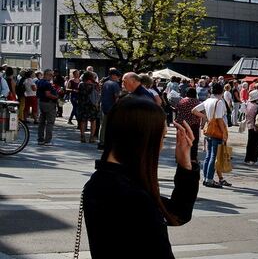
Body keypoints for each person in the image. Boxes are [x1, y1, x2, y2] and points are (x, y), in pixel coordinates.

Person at [84, 95, 198, 258]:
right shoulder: (131, 195)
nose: (162, 145)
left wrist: (185, 166)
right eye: (162, 137)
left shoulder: (102, 181)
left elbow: (177, 213)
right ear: (144, 138)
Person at [191, 81, 230, 189]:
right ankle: (209, 179)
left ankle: (205, 178)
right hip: (217, 131)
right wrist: (224, 133)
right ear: (221, 91)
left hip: (209, 130)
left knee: (208, 156)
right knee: (214, 155)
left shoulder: (208, 100)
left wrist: (205, 117)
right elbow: (219, 119)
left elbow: (194, 110)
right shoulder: (219, 102)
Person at [75, 71, 100, 144]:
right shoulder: (95, 84)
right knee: (93, 121)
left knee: (83, 121)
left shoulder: (81, 84)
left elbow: (79, 94)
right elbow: (98, 94)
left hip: (83, 104)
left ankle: (82, 136)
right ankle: (91, 137)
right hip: (92, 105)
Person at [35, 69, 60, 145]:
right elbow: (48, 94)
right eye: (51, 75)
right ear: (46, 74)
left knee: (41, 122)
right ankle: (47, 141)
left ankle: (40, 139)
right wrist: (56, 97)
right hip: (49, 103)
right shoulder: (47, 83)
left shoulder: (39, 81)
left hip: (41, 102)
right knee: (50, 122)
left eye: (52, 75)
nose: (52, 76)